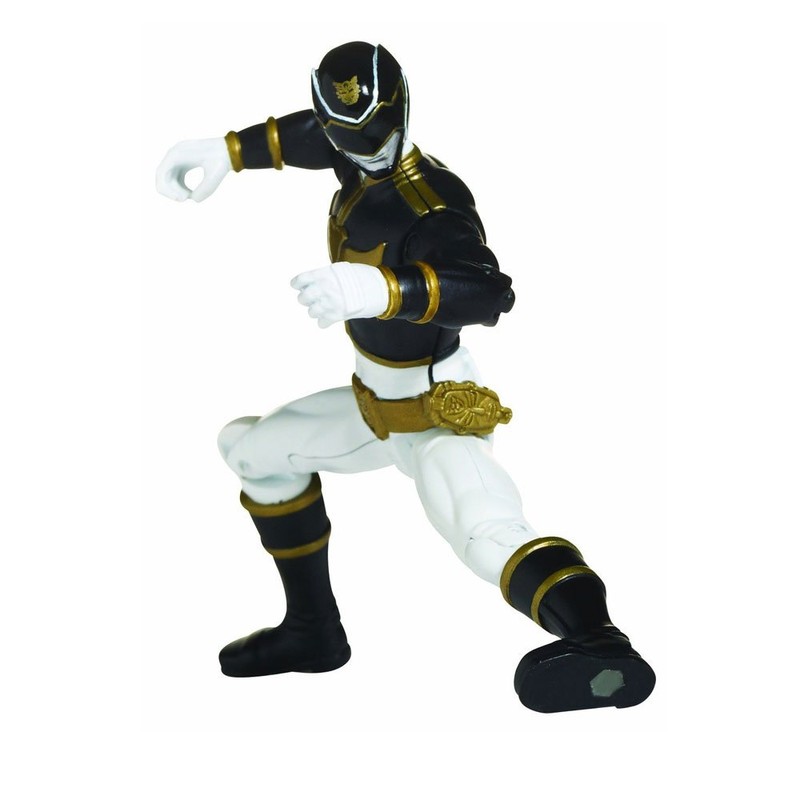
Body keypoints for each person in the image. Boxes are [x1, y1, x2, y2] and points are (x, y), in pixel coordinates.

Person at [156, 41, 655, 712]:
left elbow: (490, 292)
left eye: (377, 130)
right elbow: (313, 136)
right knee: (251, 451)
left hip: (437, 409)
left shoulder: (433, 202)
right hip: (372, 407)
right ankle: (312, 632)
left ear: (403, 109)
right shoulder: (354, 154)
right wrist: (228, 150)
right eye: (348, 134)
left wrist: (383, 290)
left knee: (484, 530)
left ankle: (601, 645)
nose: (366, 148)